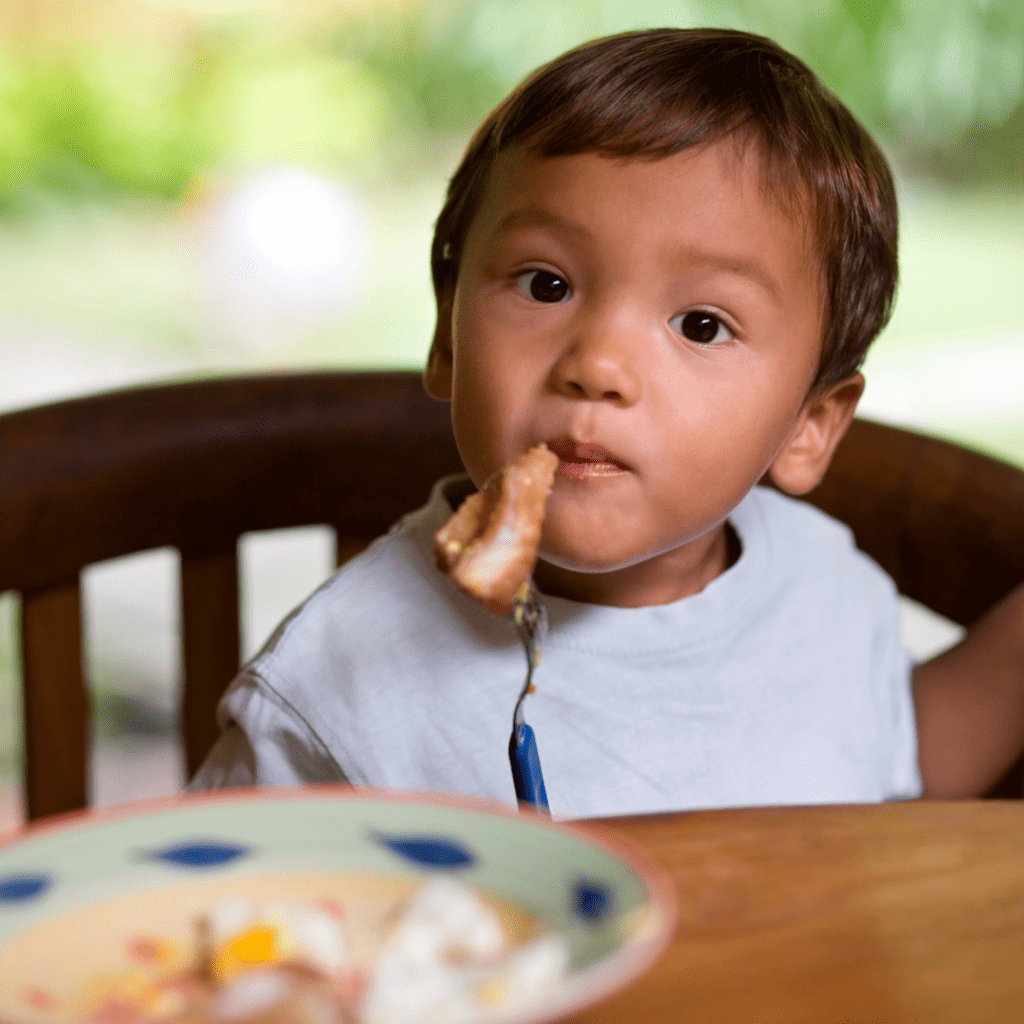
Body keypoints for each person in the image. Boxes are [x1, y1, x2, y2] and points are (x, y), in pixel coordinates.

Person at [191, 27, 1024, 817]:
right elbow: (221, 925)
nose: (598, 364)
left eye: (702, 324)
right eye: (546, 284)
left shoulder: (821, 582)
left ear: (810, 425)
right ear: (447, 337)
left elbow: (891, 771)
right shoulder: (331, 690)